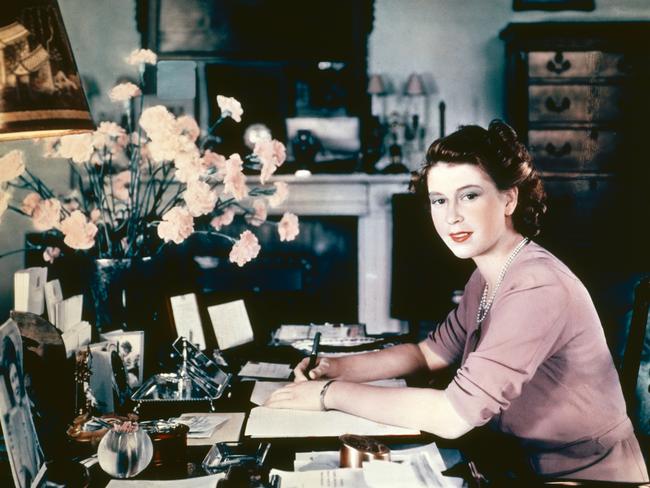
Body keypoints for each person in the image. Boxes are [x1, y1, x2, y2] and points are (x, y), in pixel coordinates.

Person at [266, 120, 649, 482]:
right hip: (517, 463)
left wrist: (327, 395)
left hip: (587, 476)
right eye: (438, 200)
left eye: (469, 195)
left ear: (509, 199)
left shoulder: (537, 287)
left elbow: (452, 415)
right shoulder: (486, 276)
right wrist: (336, 368)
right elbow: (425, 355)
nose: (452, 217)